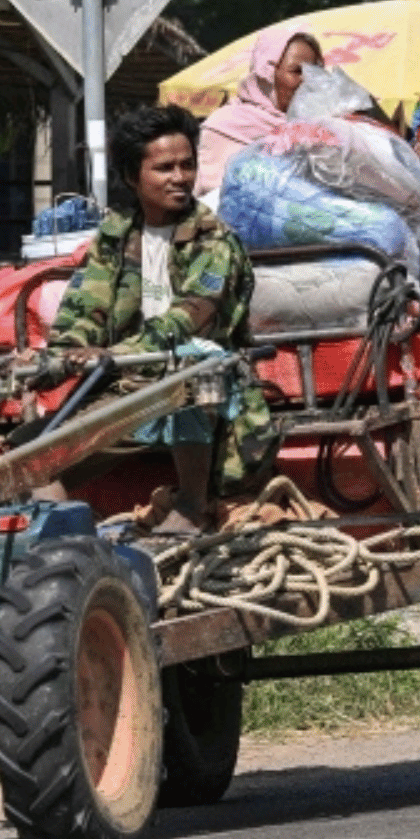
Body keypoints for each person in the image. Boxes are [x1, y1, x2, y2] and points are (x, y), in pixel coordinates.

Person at [51, 105, 267, 526]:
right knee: (31, 465)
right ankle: (84, 550)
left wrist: (112, 353)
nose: (180, 177)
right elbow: (83, 305)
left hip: (204, 388)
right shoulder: (116, 234)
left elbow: (190, 318)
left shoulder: (215, 240)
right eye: (164, 167)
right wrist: (61, 355)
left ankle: (191, 504)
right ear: (133, 176)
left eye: (187, 165)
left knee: (195, 360)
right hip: (127, 384)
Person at [194, 24, 324, 201]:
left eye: (314, 72)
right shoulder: (224, 127)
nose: (307, 80)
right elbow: (214, 197)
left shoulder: (321, 130)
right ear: (267, 73)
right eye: (297, 71)